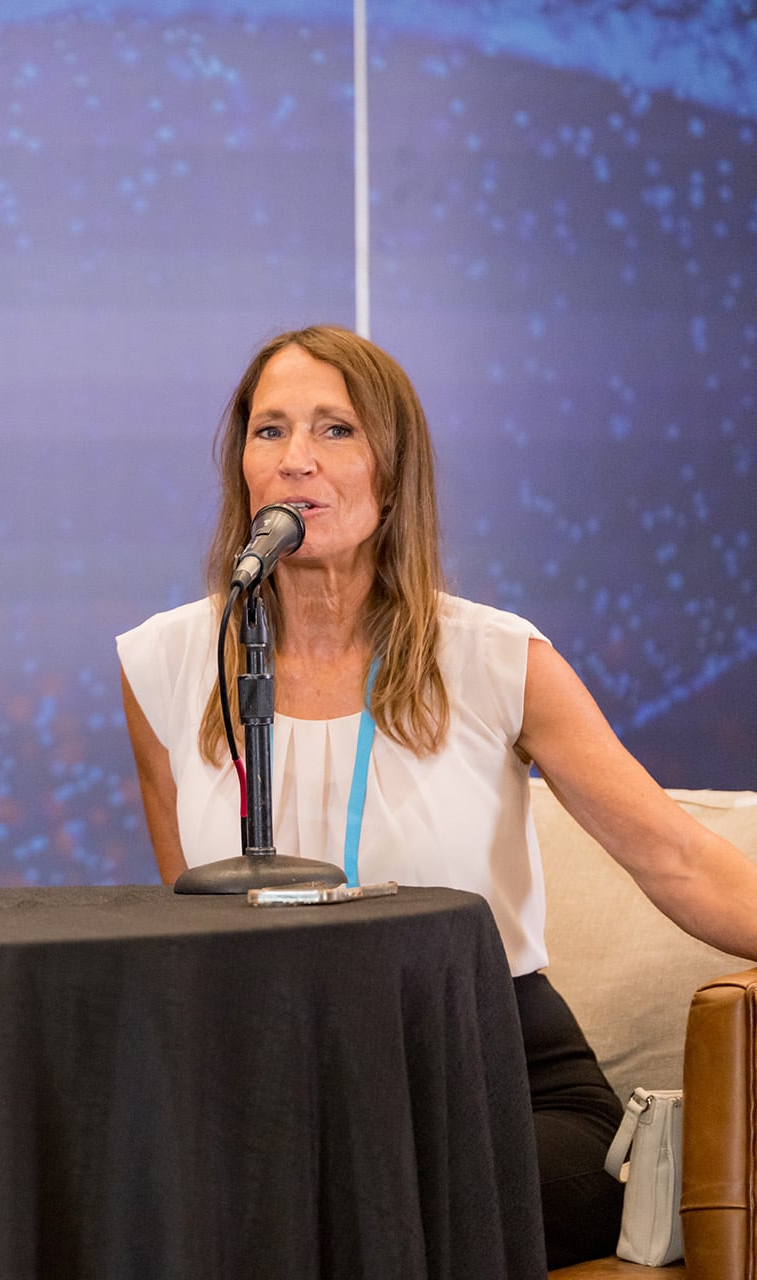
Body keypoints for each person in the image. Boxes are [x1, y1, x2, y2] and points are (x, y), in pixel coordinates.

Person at [115, 324, 757, 1269]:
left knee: (367, 1208)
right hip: (279, 1083)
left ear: (393, 470)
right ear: (240, 468)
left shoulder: (496, 657)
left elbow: (676, 856)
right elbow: (191, 911)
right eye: (269, 431)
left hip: (495, 1082)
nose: (296, 461)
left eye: (335, 430)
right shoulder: (164, 664)